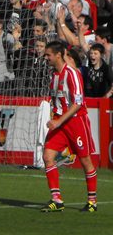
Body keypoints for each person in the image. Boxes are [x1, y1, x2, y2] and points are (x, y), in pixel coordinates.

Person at [40, 41, 97, 212]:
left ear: (58, 54)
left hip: (75, 121)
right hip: (60, 122)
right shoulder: (54, 74)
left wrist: (58, 121)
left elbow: (78, 103)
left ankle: (92, 201)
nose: (46, 58)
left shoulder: (72, 74)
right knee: (47, 156)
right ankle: (56, 199)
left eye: (48, 54)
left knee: (85, 160)